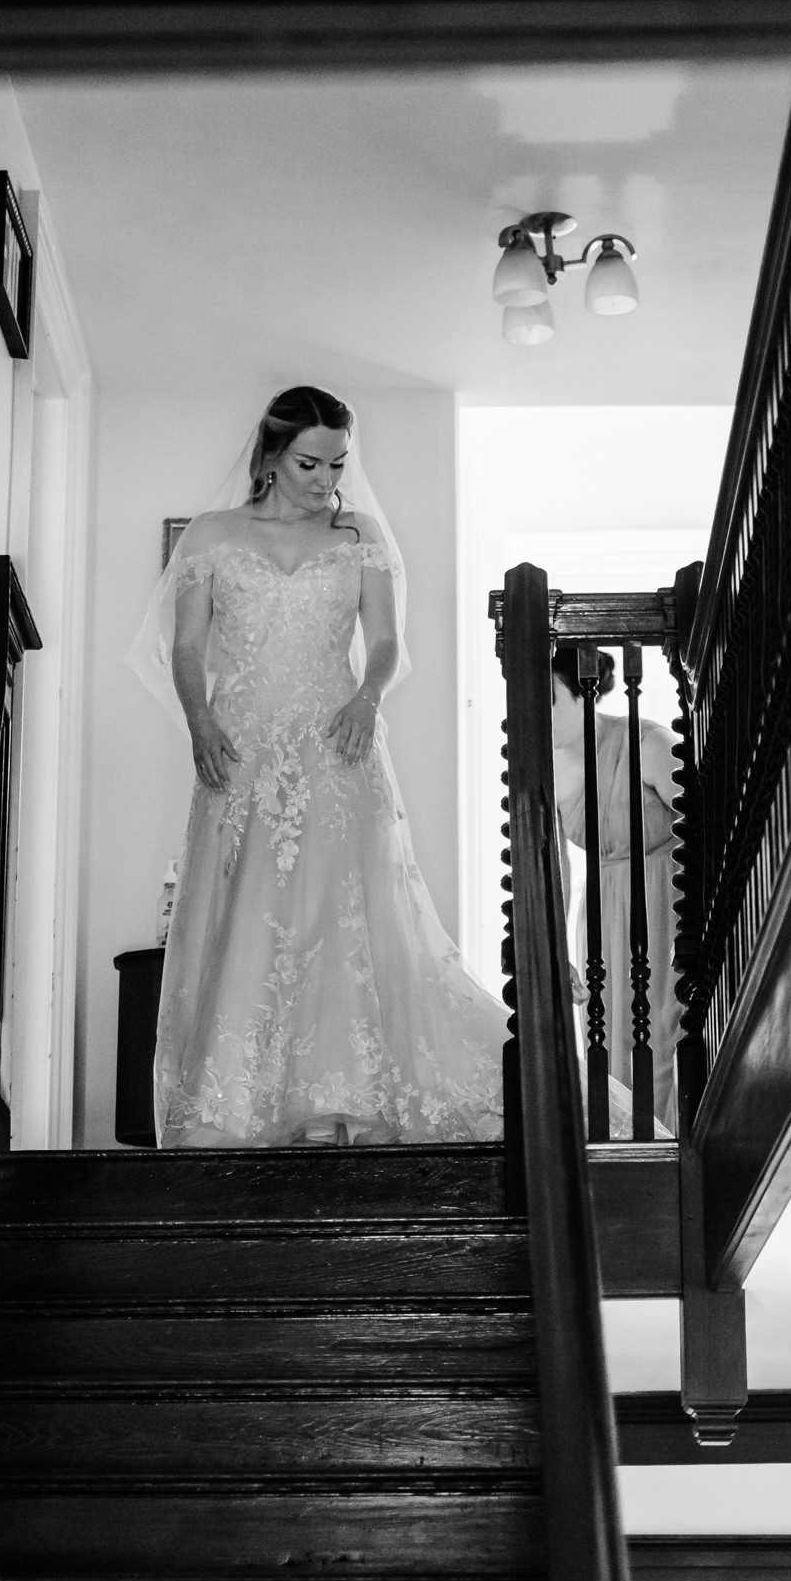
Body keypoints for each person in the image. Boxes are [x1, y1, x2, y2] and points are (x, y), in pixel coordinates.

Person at [128, 386, 506, 1147]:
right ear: (269, 457)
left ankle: (348, 1095)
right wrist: (199, 720)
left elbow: (389, 641)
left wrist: (369, 697)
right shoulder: (209, 536)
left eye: (337, 463)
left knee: (344, 913)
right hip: (242, 747)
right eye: (308, 462)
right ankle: (240, 1100)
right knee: (246, 908)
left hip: (339, 744)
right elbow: (187, 648)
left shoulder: (358, 536)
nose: (324, 480)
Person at [551, 645, 681, 1132]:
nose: (539, 716)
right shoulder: (547, 770)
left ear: (584, 695)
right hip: (602, 911)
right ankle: (620, 1148)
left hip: (662, 900)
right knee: (606, 1038)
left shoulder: (647, 743)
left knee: (663, 1034)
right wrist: (557, 951)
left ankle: (667, 1144)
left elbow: (703, 830)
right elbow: (558, 870)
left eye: (551, 699)